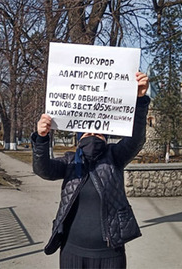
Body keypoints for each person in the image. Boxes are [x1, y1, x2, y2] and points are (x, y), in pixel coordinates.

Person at [31, 72, 150, 268]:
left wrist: (140, 101)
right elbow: (43, 169)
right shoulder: (71, 161)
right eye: (87, 132)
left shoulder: (115, 157)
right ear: (79, 138)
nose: (93, 135)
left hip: (110, 254)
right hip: (72, 252)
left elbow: (136, 140)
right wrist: (42, 138)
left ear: (106, 136)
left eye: (98, 132)